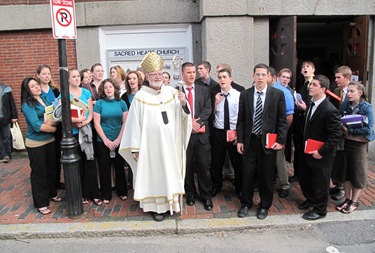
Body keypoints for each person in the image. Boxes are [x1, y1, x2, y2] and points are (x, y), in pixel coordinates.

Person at [119, 52, 192, 222]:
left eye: (159, 73)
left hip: (170, 144)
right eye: (153, 74)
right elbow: (134, 124)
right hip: (149, 146)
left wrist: (183, 103)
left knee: (169, 172)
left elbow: (182, 117)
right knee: (154, 175)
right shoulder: (140, 97)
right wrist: (136, 148)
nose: (157, 77)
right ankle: (156, 208)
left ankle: (172, 205)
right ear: (147, 77)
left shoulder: (173, 93)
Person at [236, 63, 287, 220]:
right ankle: (246, 203)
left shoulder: (277, 95)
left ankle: (265, 205)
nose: (260, 78)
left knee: (266, 176)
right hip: (250, 141)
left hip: (268, 142)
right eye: (257, 74)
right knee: (247, 174)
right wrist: (239, 140)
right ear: (253, 76)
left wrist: (280, 140)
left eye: (263, 75)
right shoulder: (245, 94)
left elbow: (282, 121)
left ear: (269, 77)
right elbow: (241, 120)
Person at [296, 74, 341, 221]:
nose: (310, 87)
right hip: (307, 149)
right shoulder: (310, 102)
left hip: (321, 153)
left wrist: (321, 152)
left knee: (320, 182)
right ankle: (311, 199)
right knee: (305, 177)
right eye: (311, 84)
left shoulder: (330, 110)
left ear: (323, 89)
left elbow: (335, 136)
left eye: (315, 85)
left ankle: (320, 209)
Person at [21, 77, 61, 215]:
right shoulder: (27, 105)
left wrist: (52, 123)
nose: (37, 87)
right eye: (33, 86)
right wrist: (53, 128)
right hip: (36, 143)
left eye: (36, 84)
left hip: (49, 141)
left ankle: (52, 193)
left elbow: (54, 116)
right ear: (28, 90)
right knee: (39, 173)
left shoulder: (44, 99)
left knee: (51, 169)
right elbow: (36, 126)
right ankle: (41, 203)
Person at [335, 82, 374, 214]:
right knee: (346, 172)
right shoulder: (345, 104)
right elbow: (338, 119)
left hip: (358, 145)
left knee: (357, 173)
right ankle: (347, 198)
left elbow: (368, 129)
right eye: (348, 91)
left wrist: (350, 131)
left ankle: (354, 200)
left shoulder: (366, 107)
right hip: (345, 143)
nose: (349, 94)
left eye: (352, 91)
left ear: (360, 93)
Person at [65, 68, 102, 206]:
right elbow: (61, 114)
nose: (76, 79)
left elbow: (91, 113)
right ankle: (81, 194)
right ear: (68, 79)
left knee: (90, 161)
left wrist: (86, 121)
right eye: (73, 76)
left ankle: (94, 194)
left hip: (86, 131)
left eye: (77, 76)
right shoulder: (65, 94)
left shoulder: (86, 92)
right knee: (77, 164)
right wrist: (75, 122)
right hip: (73, 134)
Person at [183, 62, 214, 211]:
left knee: (203, 167)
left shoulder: (203, 90)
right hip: (185, 136)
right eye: (188, 72)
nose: (192, 75)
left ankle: (206, 196)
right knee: (187, 166)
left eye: (193, 72)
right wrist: (190, 124)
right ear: (183, 74)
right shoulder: (177, 92)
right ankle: (190, 194)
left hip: (201, 136)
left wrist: (198, 123)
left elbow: (208, 108)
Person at [94, 78, 128, 204]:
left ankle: (122, 191)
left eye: (110, 87)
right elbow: (96, 123)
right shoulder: (99, 103)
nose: (108, 89)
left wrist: (119, 139)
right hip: (102, 140)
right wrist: (106, 140)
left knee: (119, 167)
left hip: (119, 139)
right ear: (103, 90)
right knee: (104, 168)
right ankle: (106, 194)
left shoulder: (122, 103)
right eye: (106, 87)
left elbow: (125, 122)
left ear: (115, 88)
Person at [210, 69, 242, 198]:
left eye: (224, 77)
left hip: (234, 132)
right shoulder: (215, 95)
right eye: (220, 77)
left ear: (230, 79)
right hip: (218, 132)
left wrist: (239, 135)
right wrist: (215, 103)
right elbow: (209, 115)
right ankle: (216, 186)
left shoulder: (239, 95)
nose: (222, 80)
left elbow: (242, 116)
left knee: (237, 163)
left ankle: (240, 188)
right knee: (216, 162)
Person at [267, 67, 294, 198]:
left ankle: (284, 185)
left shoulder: (284, 92)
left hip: (278, 132)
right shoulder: (263, 91)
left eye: (264, 75)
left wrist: (282, 134)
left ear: (272, 77)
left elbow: (289, 116)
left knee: (279, 159)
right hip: (265, 132)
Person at [36, 64, 64, 189]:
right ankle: (47, 183)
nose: (46, 76)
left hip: (56, 126)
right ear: (38, 75)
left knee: (57, 155)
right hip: (44, 127)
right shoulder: (37, 92)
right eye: (43, 74)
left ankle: (56, 181)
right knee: (45, 158)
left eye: (48, 73)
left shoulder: (55, 90)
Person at [330, 66, 352, 201]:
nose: (336, 80)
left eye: (339, 77)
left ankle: (343, 189)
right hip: (337, 130)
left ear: (347, 78)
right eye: (336, 77)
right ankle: (337, 185)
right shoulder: (336, 91)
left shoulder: (355, 90)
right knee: (336, 159)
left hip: (348, 132)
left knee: (344, 161)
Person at [291, 61, 315, 183]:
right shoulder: (302, 85)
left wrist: (305, 109)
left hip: (310, 123)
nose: (305, 68)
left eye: (308, 67)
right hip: (300, 122)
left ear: (313, 70)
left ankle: (308, 176)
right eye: (303, 67)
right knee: (298, 149)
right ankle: (298, 173)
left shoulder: (314, 85)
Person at [0, 82, 17, 163]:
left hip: (5, 117)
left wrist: (14, 116)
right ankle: (1, 155)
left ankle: (7, 155)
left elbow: (11, 103)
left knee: (6, 136)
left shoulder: (6, 89)